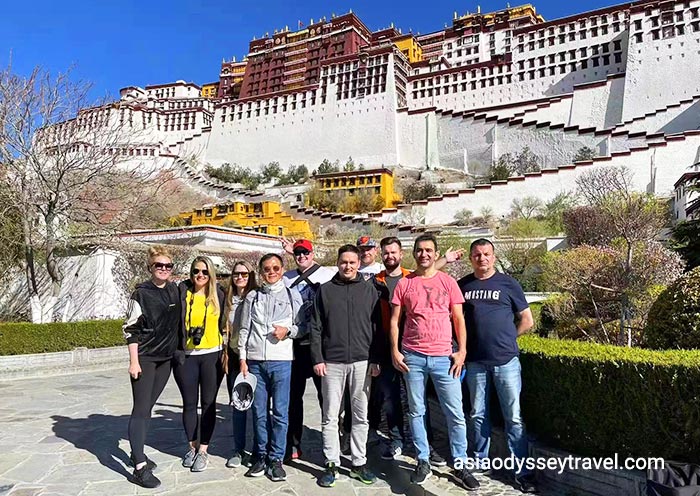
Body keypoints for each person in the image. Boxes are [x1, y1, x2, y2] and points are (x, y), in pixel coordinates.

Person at [390, 234, 479, 490]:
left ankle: (460, 464)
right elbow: (395, 321)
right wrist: (395, 351)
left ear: (435, 253)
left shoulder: (448, 282)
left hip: (444, 358)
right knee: (417, 411)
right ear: (414, 253)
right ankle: (423, 460)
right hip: (413, 357)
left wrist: (462, 351)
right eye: (419, 250)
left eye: (428, 250)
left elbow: (458, 319)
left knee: (455, 413)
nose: (424, 254)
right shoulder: (405, 284)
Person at [458, 238, 537, 494]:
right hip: (475, 362)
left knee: (513, 418)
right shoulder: (463, 285)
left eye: (487, 254)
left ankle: (522, 471)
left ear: (494, 256)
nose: (482, 258)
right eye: (477, 255)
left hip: (506, 362)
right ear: (471, 258)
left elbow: (527, 319)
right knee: (477, 414)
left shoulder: (508, 283)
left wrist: (507, 338)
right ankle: (480, 461)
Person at [311, 244, 382, 488]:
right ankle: (331, 462)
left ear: (359, 263)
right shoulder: (325, 291)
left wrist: (375, 359)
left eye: (352, 262)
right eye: (344, 262)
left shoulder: (370, 290)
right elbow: (316, 327)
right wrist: (317, 358)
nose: (348, 266)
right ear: (338, 263)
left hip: (362, 362)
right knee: (330, 416)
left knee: (361, 417)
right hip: (332, 362)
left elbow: (377, 328)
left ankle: (358, 462)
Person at [239, 253, 302, 482]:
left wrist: (288, 332)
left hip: (282, 360)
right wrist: (243, 358)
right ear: (261, 271)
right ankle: (261, 455)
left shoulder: (292, 294)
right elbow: (244, 329)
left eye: (276, 267)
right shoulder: (253, 297)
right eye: (267, 268)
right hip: (255, 362)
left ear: (282, 268)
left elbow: (301, 326)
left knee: (281, 413)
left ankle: (276, 458)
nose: (271, 272)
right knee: (258, 412)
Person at [123, 245, 181, 489]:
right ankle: (139, 466)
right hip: (145, 359)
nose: (164, 269)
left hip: (165, 360)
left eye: (168, 266)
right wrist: (134, 361)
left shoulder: (174, 290)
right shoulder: (141, 294)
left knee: (148, 407)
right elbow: (130, 329)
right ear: (151, 268)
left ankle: (138, 452)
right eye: (160, 265)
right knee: (141, 409)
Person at [282, 239, 337, 461]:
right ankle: (293, 442)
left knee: (327, 397)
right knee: (293, 397)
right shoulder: (287, 277)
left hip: (320, 346)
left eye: (305, 252)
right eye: (297, 253)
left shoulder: (327, 274)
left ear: (313, 253)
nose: (301, 256)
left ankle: (330, 444)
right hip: (294, 346)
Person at [173, 256, 226, 473]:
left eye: (205, 272)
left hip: (212, 355)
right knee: (188, 403)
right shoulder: (182, 293)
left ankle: (203, 450)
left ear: (211, 273)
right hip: (187, 355)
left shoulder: (219, 294)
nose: (200, 275)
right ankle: (192, 447)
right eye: (196, 271)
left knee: (208, 404)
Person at [224, 260, 258, 469]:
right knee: (238, 404)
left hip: (254, 355)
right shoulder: (226, 299)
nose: (240, 277)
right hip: (234, 355)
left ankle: (257, 450)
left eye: (244, 274)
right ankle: (238, 449)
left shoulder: (257, 297)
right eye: (237, 274)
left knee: (258, 406)